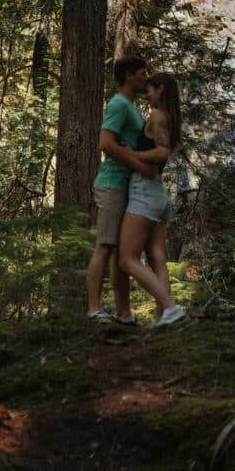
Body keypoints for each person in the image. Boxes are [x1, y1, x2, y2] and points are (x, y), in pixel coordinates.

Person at [86, 56, 158, 324]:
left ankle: (124, 313)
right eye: (142, 72)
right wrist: (138, 164)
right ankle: (94, 309)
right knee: (104, 246)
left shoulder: (132, 108)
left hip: (128, 186)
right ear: (129, 76)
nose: (145, 78)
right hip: (112, 184)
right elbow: (105, 142)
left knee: (123, 254)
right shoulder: (118, 104)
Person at [118, 72, 187, 327]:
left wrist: (132, 154)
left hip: (145, 191)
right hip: (157, 193)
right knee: (157, 257)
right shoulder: (170, 117)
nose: (146, 95)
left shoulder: (158, 116)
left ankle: (169, 307)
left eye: (150, 90)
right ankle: (162, 318)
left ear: (160, 90)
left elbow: (161, 152)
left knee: (127, 259)